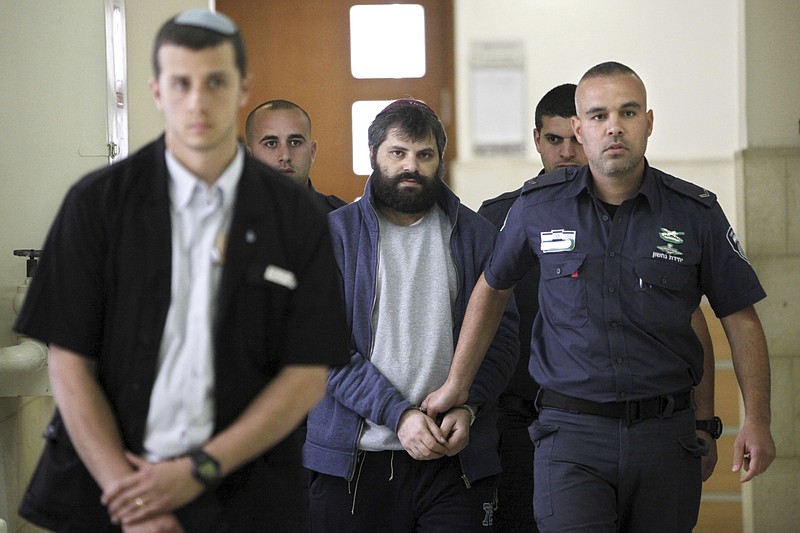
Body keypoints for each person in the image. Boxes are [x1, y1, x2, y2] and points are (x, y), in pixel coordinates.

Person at [14, 9, 348, 533]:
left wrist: (199, 469)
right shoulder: (97, 204)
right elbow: (69, 361)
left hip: (246, 491)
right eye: (181, 83)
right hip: (108, 493)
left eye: (216, 81)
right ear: (156, 90)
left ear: (241, 89)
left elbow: (306, 374)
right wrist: (132, 498)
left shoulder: (297, 217)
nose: (198, 101)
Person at [425, 62, 775, 532]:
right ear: (578, 128)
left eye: (627, 113)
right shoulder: (536, 207)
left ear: (648, 123)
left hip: (665, 437)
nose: (613, 127)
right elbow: (491, 289)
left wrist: (755, 420)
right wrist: (457, 385)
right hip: (571, 437)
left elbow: (740, 318)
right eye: (597, 116)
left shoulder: (696, 213)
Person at [478, 83, 720, 532]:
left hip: (632, 421)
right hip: (521, 417)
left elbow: (691, 318)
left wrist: (705, 420)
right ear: (540, 140)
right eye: (555, 141)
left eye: (575, 140)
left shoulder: (656, 210)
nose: (568, 153)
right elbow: (479, 309)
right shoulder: (503, 217)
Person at [303, 98, 519, 532]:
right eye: (397, 153)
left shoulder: (477, 235)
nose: (411, 166)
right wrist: (397, 414)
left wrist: (471, 405)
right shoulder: (334, 236)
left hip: (454, 460)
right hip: (354, 462)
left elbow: (502, 336)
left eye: (424, 155)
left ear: (440, 160)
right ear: (373, 156)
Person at [245, 99, 347, 213]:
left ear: (312, 152)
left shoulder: (345, 220)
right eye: (271, 144)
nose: (285, 156)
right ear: (249, 156)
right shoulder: (227, 221)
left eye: (295, 142)